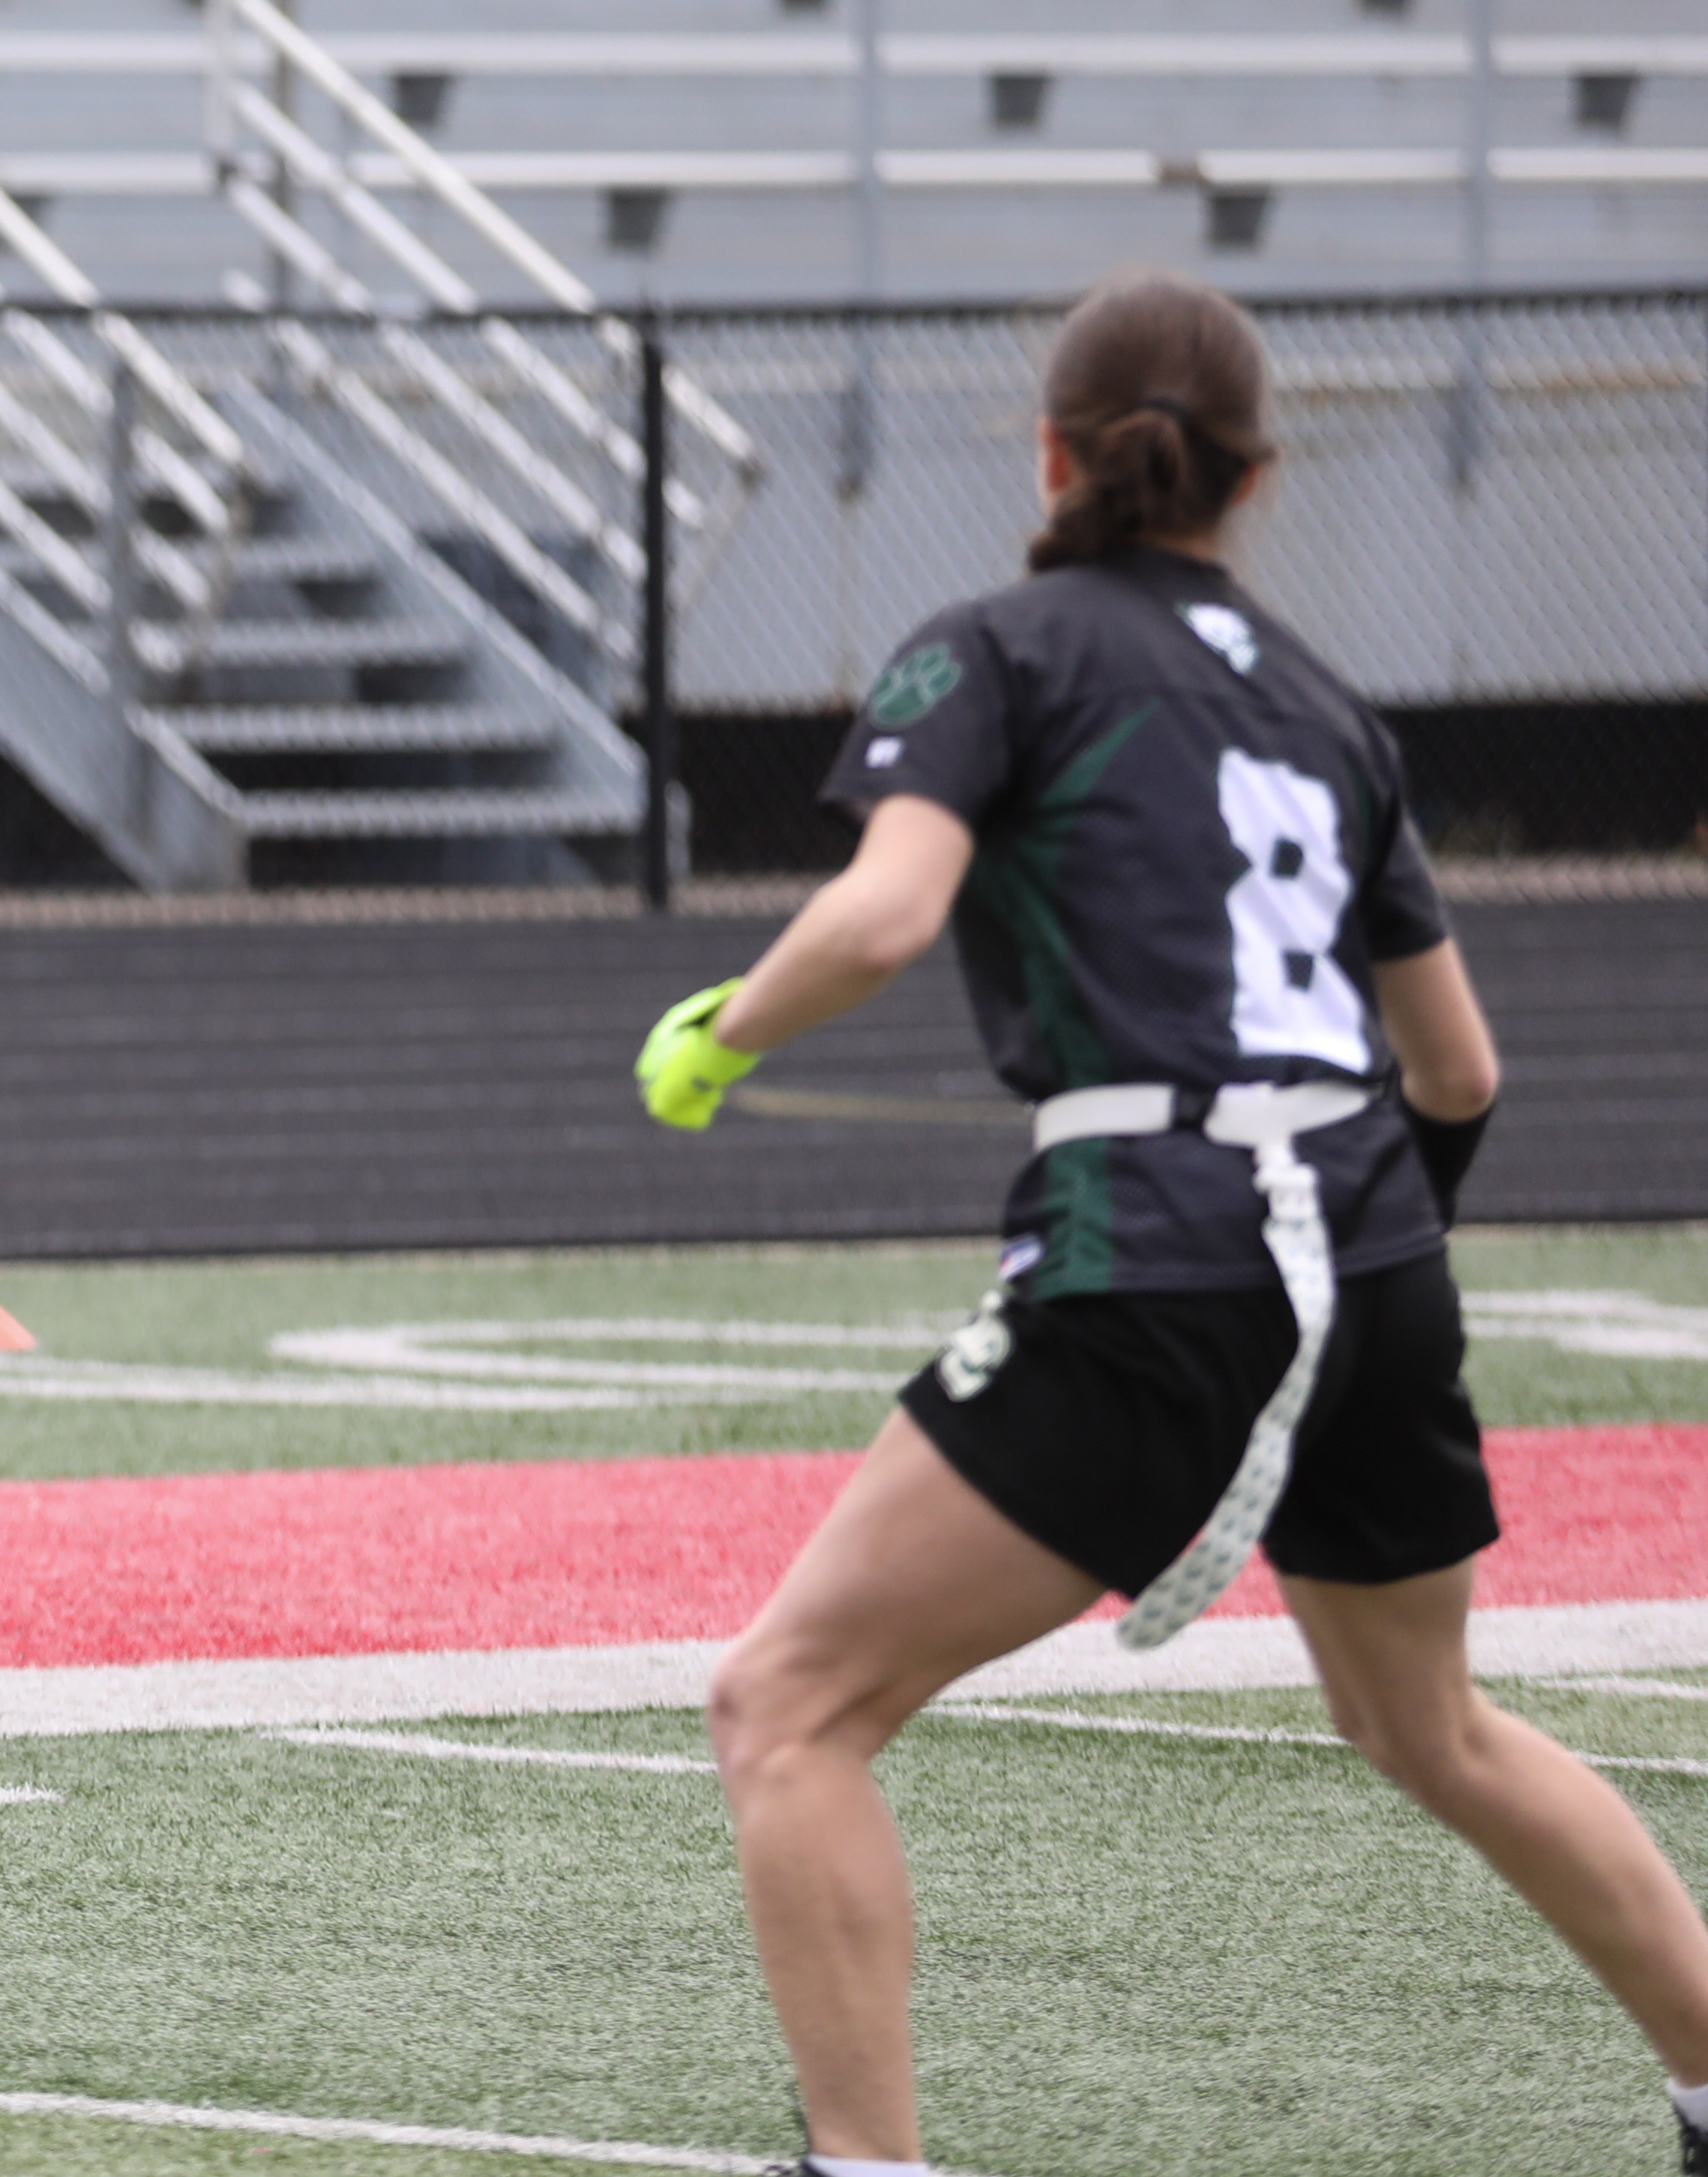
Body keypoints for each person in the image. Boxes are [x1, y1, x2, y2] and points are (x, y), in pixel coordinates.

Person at [633, 270, 1708, 2177]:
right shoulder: (1323, 707)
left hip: (1162, 1242)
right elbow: (1455, 1072)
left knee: (783, 1705)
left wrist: (723, 1031)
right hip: (1371, 1250)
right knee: (1429, 1728)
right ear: (1253, 477)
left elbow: (881, 918)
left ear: (1047, 453)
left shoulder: (991, 649)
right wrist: (1360, 1282)